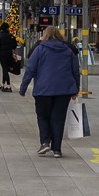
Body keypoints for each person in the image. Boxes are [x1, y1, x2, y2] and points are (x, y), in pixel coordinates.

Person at [19, 26, 81, 157]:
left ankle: (45, 142)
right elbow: (75, 70)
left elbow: (30, 69)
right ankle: (57, 149)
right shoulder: (68, 50)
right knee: (58, 119)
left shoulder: (40, 49)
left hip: (43, 90)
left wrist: (23, 87)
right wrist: (76, 88)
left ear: (44, 35)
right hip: (64, 90)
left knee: (43, 116)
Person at [0, 21, 18, 92]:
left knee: (5, 69)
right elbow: (14, 46)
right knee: (5, 69)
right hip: (9, 55)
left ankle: (9, 86)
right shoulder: (11, 36)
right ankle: (2, 84)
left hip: (2, 56)